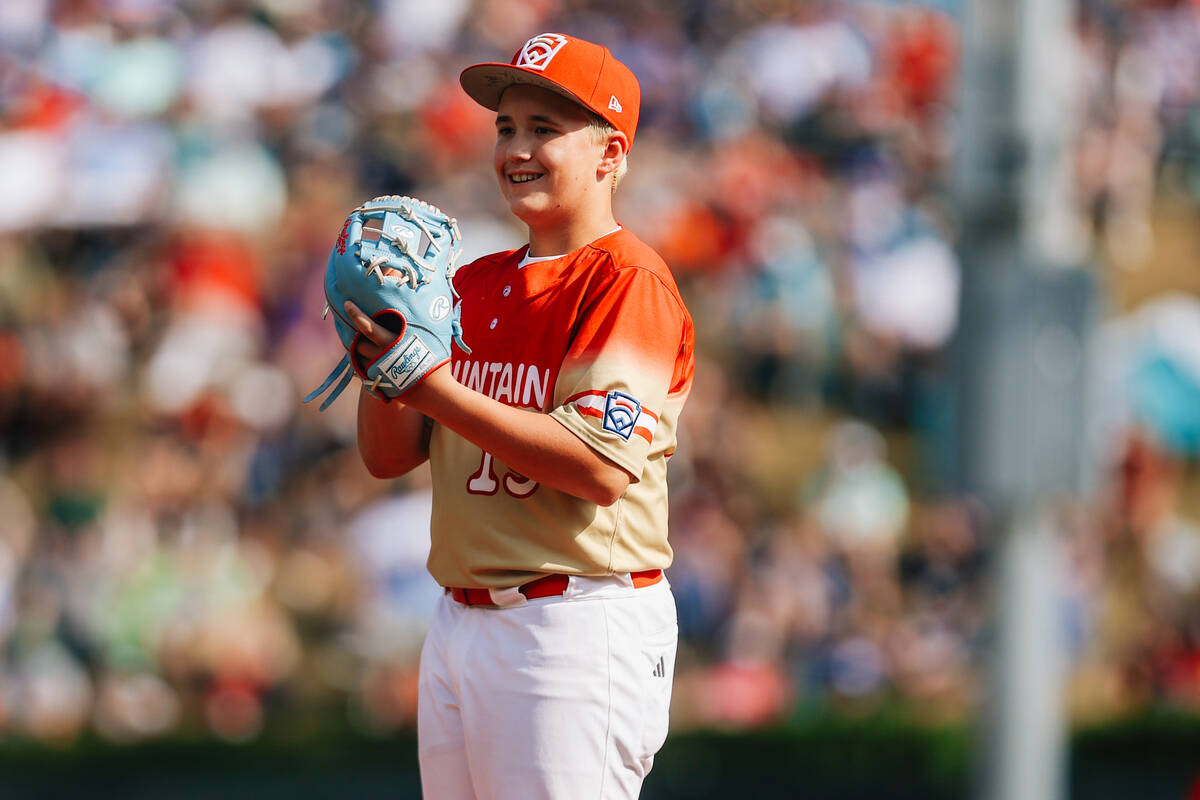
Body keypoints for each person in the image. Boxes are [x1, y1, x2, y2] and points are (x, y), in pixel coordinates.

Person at [341, 32, 695, 798]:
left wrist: (426, 382)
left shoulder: (627, 282)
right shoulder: (470, 282)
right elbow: (388, 456)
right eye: (506, 127)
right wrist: (380, 357)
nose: (517, 147)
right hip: (460, 622)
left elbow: (598, 465)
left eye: (545, 128)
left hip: (574, 620)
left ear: (610, 154)